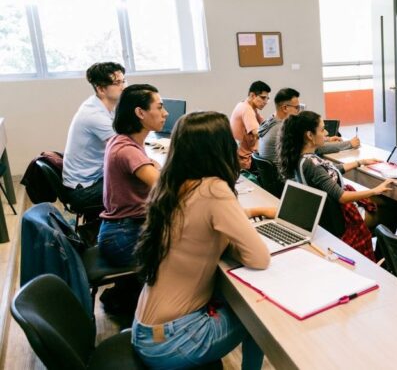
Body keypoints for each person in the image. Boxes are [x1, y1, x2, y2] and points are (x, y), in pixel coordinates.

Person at [132, 111, 274, 369]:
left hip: (147, 329)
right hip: (173, 340)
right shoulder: (213, 189)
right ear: (219, 149)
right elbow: (259, 258)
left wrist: (249, 216)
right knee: (259, 317)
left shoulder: (171, 184)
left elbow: (198, 225)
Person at [277, 111, 389, 261]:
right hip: (341, 220)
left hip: (327, 217)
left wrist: (359, 162)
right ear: (310, 135)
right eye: (322, 129)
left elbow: (330, 173)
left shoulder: (302, 158)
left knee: (381, 201)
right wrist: (374, 190)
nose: (327, 133)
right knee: (390, 209)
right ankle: (381, 258)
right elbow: (342, 197)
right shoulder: (311, 164)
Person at [98, 84, 166, 267]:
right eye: (159, 107)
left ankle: (124, 291)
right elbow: (166, 187)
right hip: (123, 237)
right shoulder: (128, 150)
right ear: (140, 113)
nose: (165, 113)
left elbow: (153, 168)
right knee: (196, 246)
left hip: (120, 230)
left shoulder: (123, 140)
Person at [62, 62, 126, 213]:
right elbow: (123, 149)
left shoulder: (102, 106)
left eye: (123, 81)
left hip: (92, 178)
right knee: (139, 184)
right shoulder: (94, 115)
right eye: (117, 83)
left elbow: (123, 136)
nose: (123, 86)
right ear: (101, 89)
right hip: (83, 191)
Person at [258, 88, 360, 163]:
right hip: (286, 181)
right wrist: (350, 143)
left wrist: (326, 139)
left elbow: (305, 142)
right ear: (285, 108)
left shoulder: (270, 121)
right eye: (297, 108)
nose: (299, 112)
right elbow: (316, 148)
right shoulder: (283, 129)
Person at [230, 80, 270, 170]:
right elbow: (258, 133)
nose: (266, 101)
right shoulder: (246, 109)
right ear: (252, 95)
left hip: (240, 157)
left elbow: (265, 124)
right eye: (263, 98)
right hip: (245, 161)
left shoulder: (246, 105)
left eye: (267, 98)